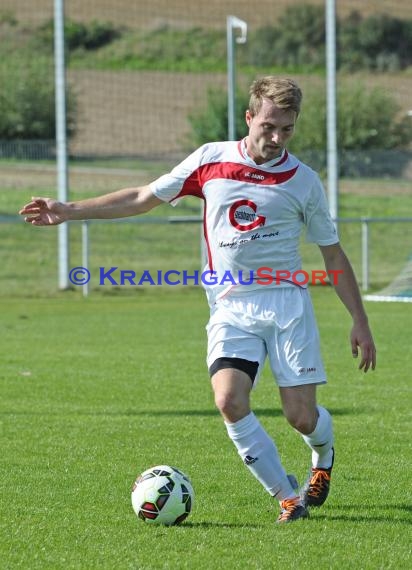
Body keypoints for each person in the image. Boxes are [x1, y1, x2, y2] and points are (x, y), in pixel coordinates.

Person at [20, 76, 376, 524]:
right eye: (268, 125)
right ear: (249, 118)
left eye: (286, 129)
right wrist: (71, 209)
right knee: (229, 400)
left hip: (287, 306)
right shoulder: (211, 160)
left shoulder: (304, 181)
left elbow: (332, 253)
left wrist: (359, 321)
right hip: (230, 305)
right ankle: (288, 497)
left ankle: (322, 458)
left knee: (301, 418)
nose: (276, 137)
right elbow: (142, 197)